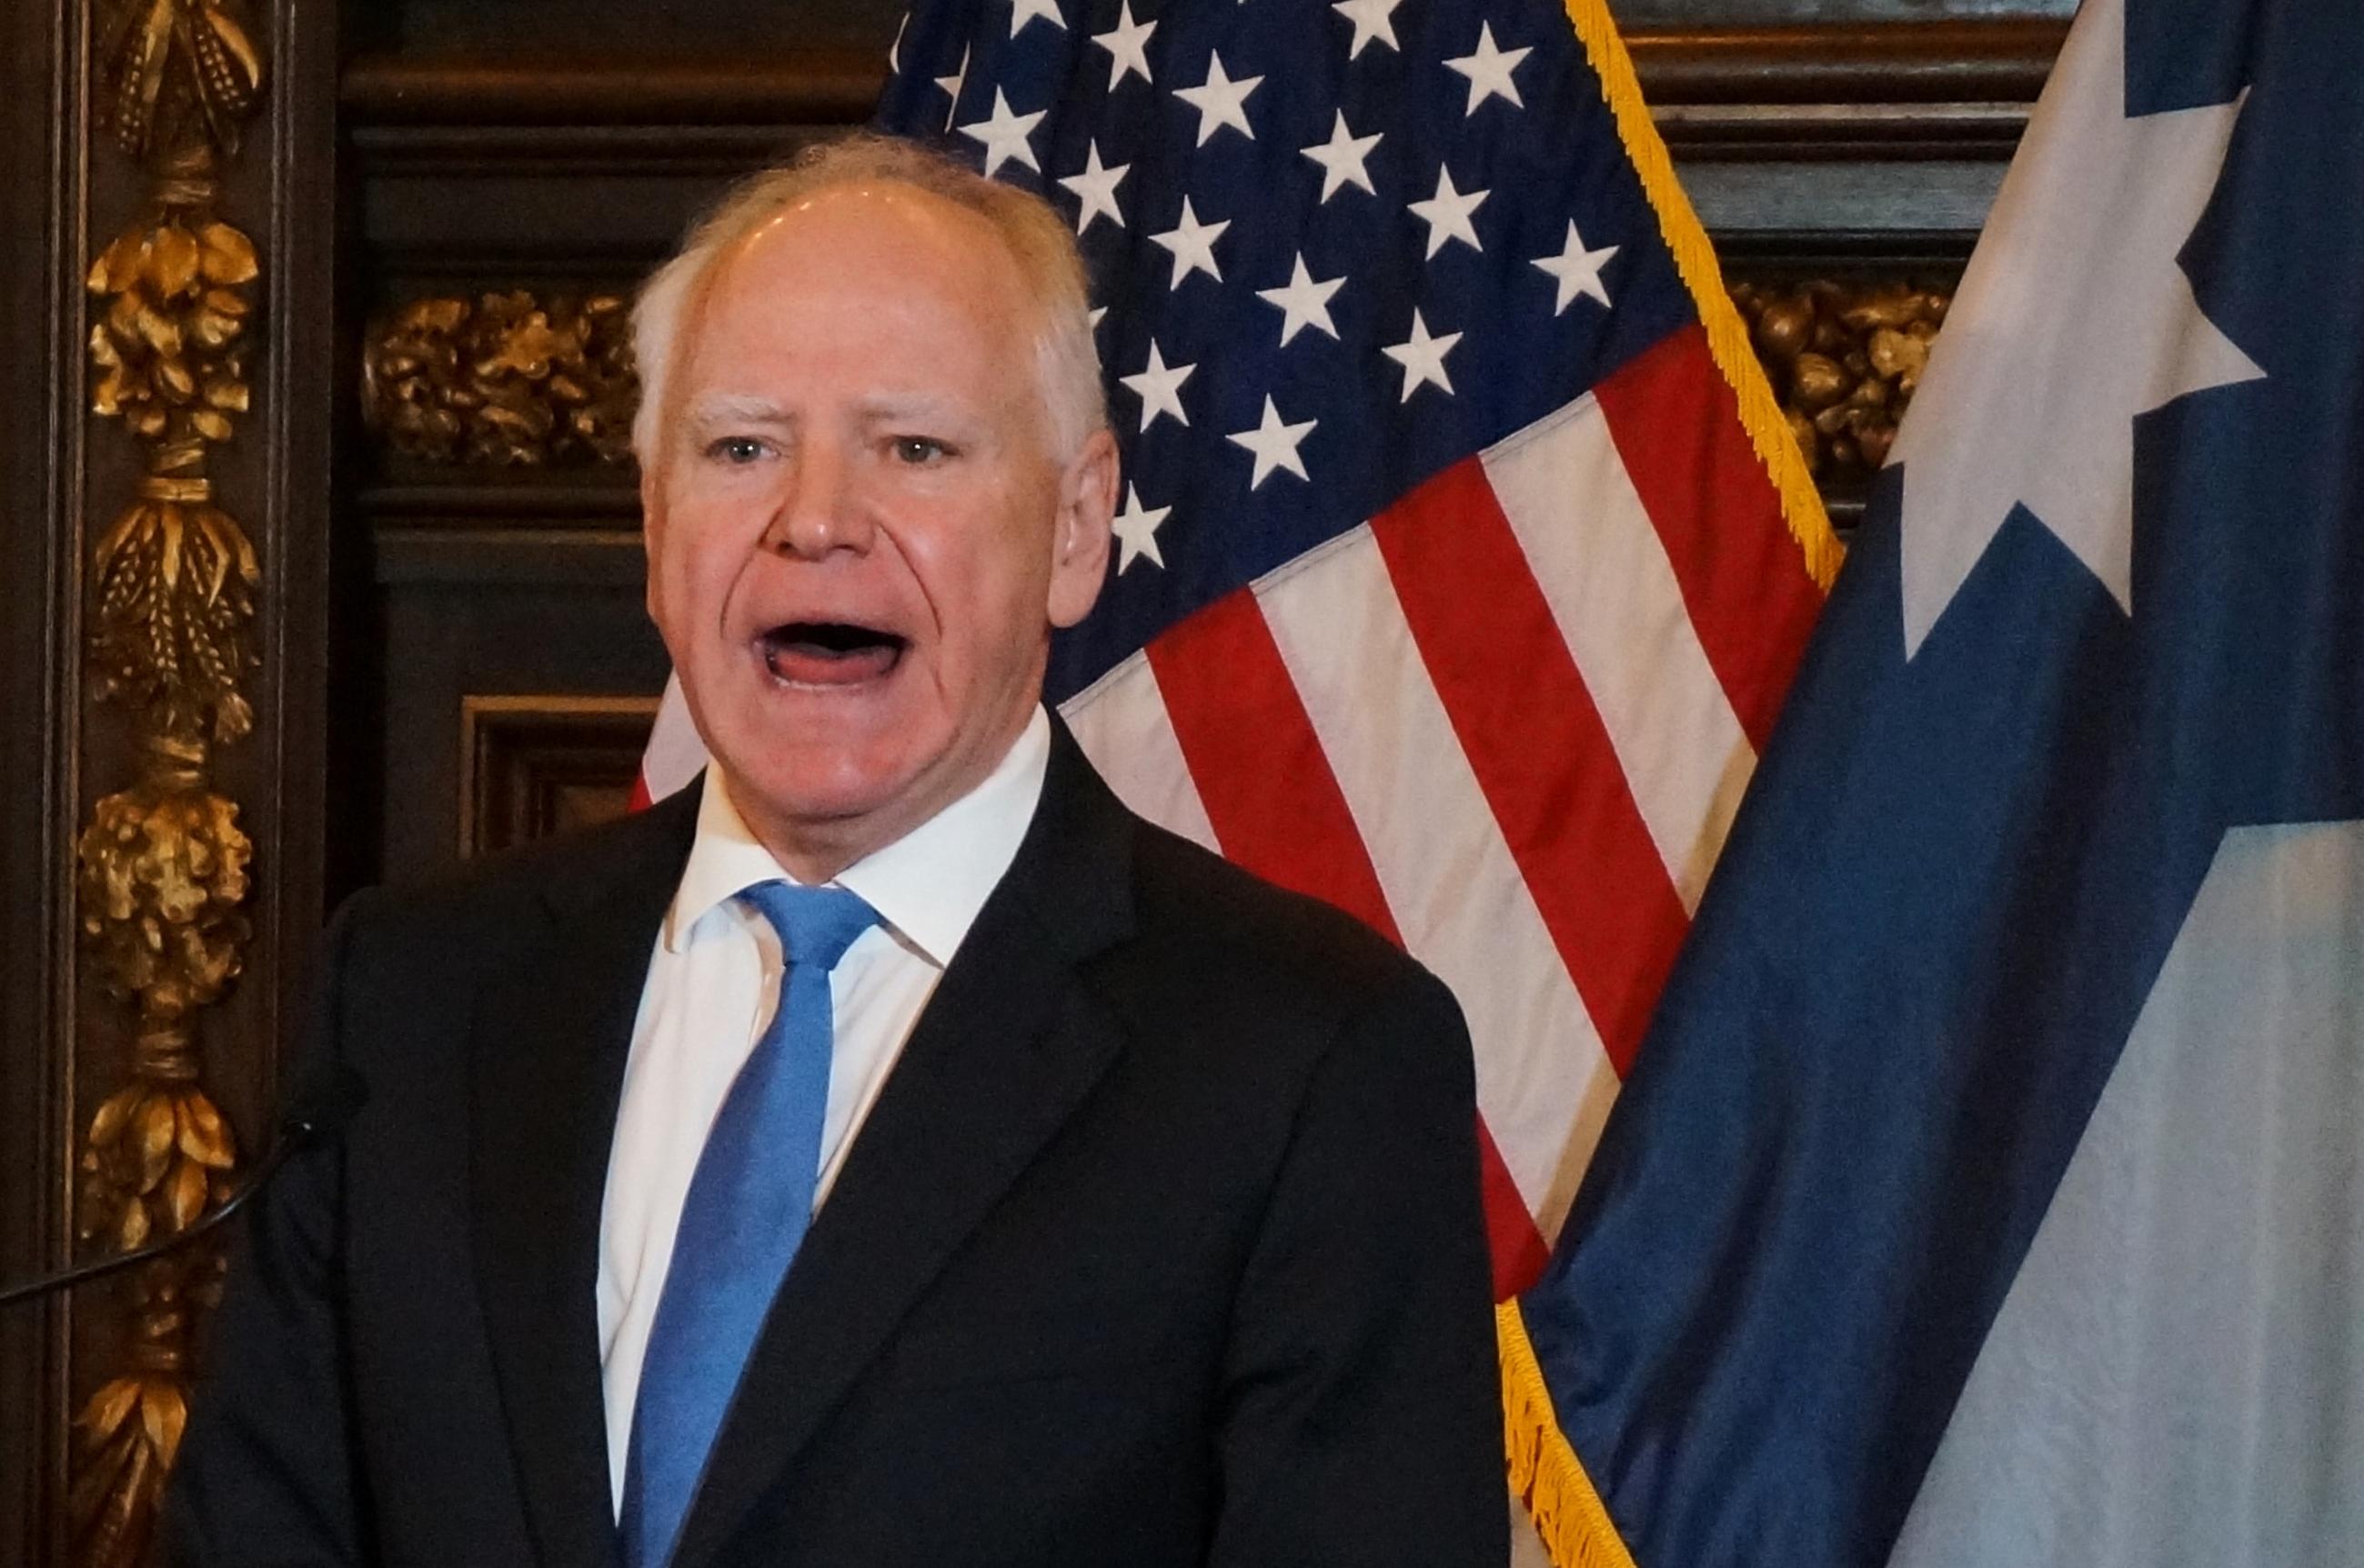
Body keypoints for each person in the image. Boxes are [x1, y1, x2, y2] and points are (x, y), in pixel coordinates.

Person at [166, 134, 1507, 1568]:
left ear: (1075, 526)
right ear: (653, 520)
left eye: (913, 448)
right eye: (742, 446)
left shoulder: (1308, 1062)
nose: (814, 522)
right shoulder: (417, 998)